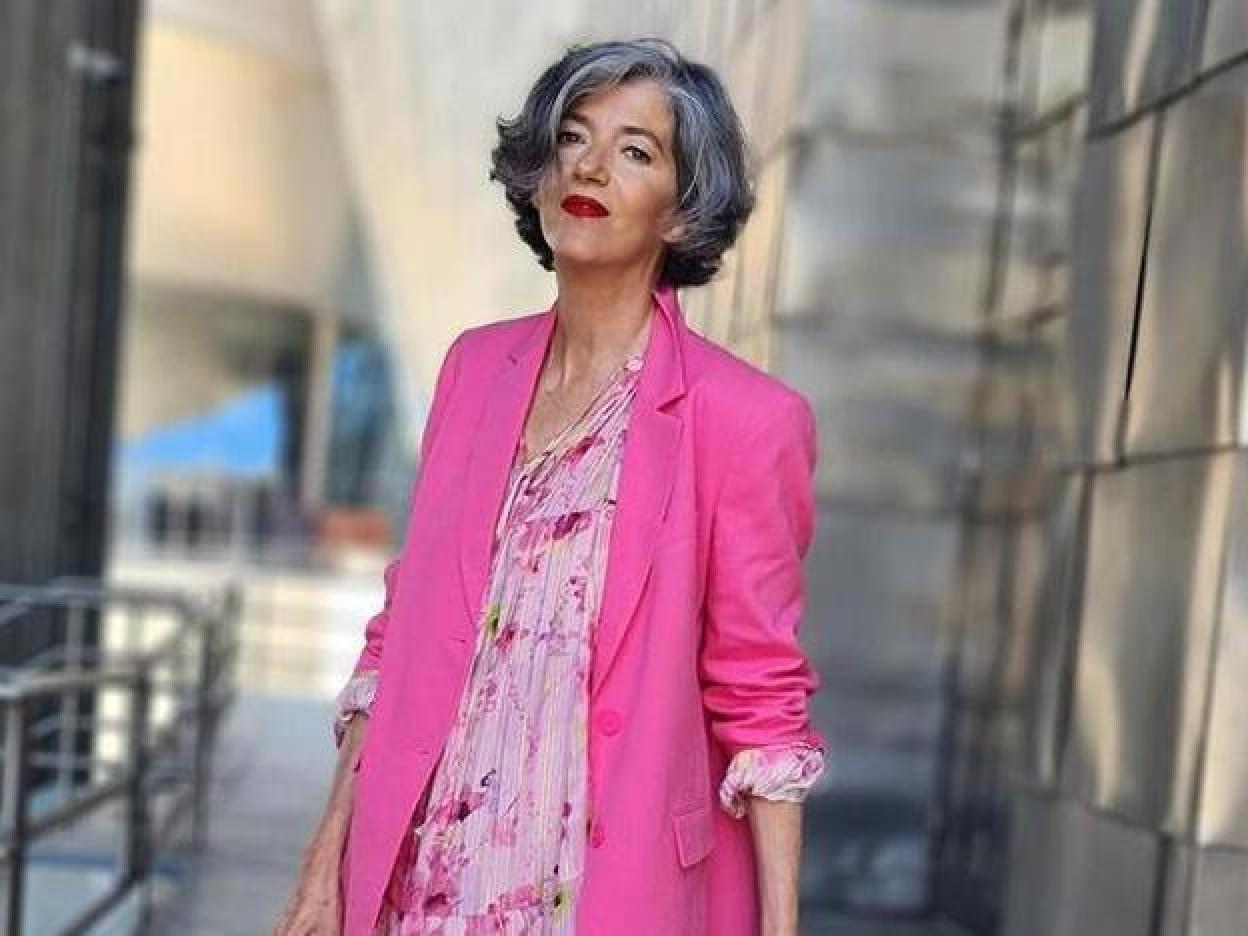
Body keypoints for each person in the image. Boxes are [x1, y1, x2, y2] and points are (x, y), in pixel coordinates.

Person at [275, 37, 825, 936]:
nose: (591, 167)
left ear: (681, 212)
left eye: (635, 151)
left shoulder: (746, 421)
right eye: (573, 137)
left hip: (600, 891)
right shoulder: (473, 371)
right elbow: (398, 638)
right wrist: (324, 860)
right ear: (538, 172)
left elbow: (761, 700)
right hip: (425, 880)